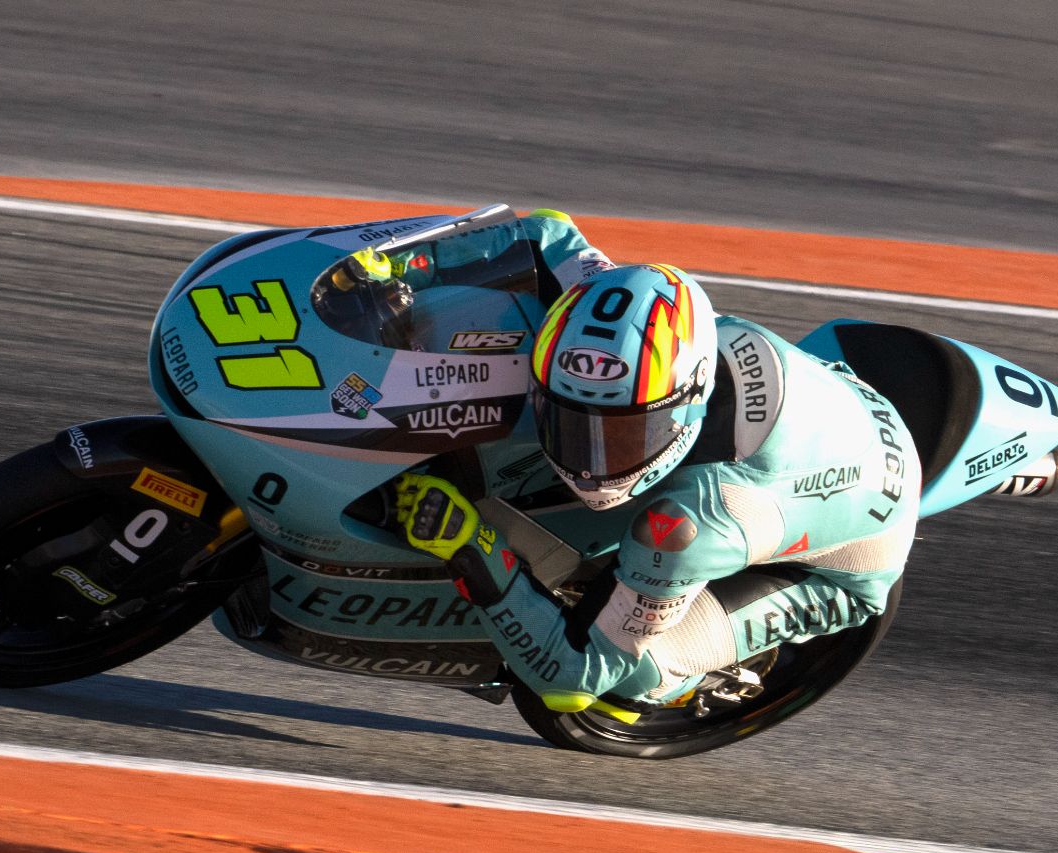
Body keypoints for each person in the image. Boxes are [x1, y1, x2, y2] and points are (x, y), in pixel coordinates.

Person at [392, 211, 921, 713]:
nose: (590, 461)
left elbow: (572, 678)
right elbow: (543, 231)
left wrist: (472, 548)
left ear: (686, 405)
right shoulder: (604, 300)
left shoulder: (699, 521)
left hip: (851, 544)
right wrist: (401, 265)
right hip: (823, 419)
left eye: (623, 435)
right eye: (572, 421)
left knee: (640, 676)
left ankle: (684, 685)